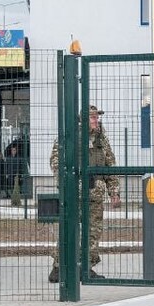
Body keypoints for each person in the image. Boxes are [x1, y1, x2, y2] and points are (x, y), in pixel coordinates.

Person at [48, 105, 120, 283]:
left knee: (93, 232)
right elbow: (56, 161)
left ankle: (86, 268)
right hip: (73, 194)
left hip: (95, 194)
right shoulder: (69, 136)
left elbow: (110, 165)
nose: (97, 120)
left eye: (97, 117)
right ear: (83, 120)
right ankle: (59, 267)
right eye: (93, 117)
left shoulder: (101, 139)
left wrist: (114, 192)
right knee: (68, 230)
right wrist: (65, 184)